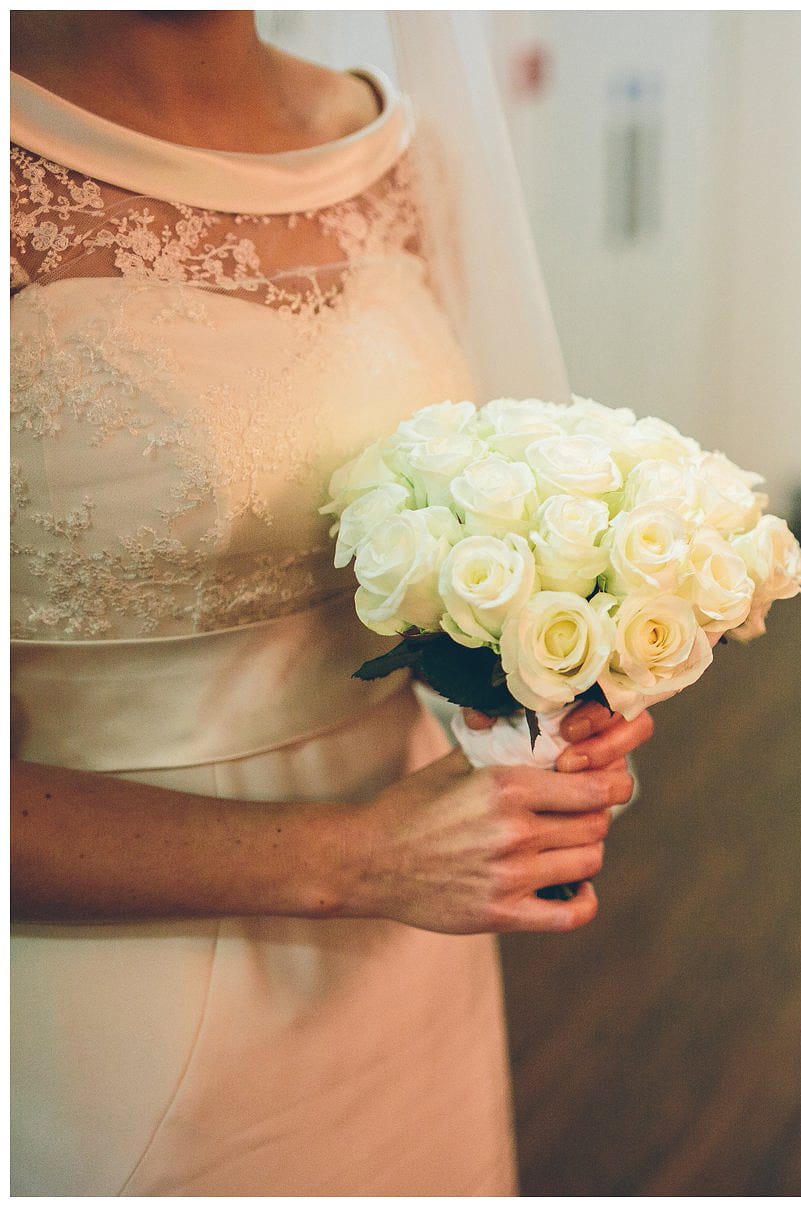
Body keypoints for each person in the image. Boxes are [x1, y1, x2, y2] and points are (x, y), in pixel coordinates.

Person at [10, 11, 649, 1193]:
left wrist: (511, 693)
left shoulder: (399, 152)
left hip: (415, 942)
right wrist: (351, 857)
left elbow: (414, 537)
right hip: (121, 996)